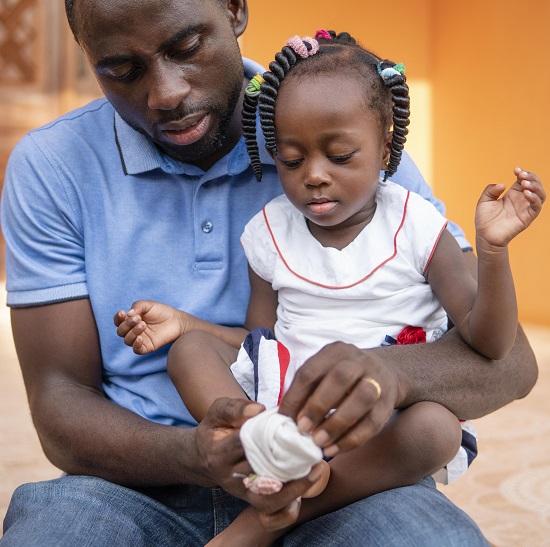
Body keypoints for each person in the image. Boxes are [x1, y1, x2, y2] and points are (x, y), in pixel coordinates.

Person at [0, 0, 540, 544]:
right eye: (121, 70)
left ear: (234, 10)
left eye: (186, 47)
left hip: (347, 480)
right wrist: (199, 454)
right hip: (132, 484)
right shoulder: (51, 167)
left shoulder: (347, 124)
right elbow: (59, 401)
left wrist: (388, 372)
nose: (165, 93)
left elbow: (509, 363)